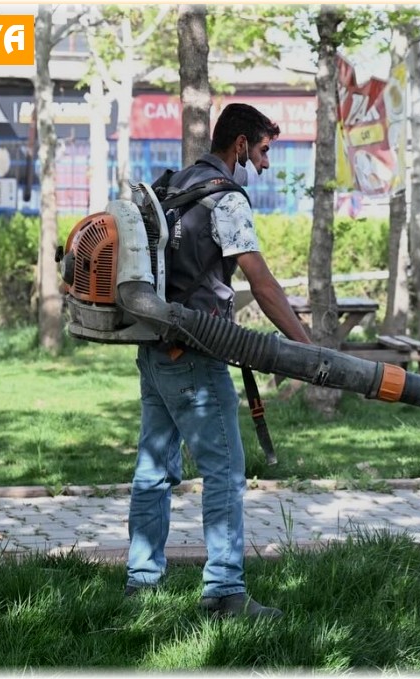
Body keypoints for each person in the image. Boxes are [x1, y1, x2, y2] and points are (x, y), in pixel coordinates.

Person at [124, 103, 312, 619]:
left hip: (156, 349)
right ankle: (225, 592)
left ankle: (142, 586)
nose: (266, 163)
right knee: (225, 472)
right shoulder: (224, 199)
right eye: (264, 150)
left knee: (153, 471)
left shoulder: (174, 185)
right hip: (198, 356)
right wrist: (307, 346)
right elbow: (262, 282)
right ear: (240, 145)